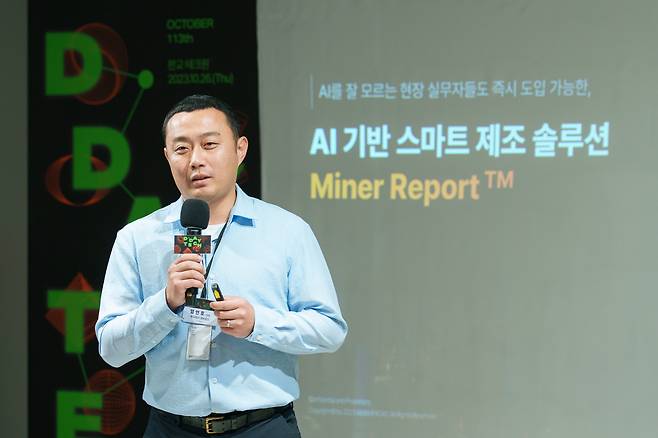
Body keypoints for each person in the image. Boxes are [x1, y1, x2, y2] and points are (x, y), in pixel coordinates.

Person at [95, 94, 348, 437]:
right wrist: (165, 304)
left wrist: (258, 323)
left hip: (262, 426)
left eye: (210, 144)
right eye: (182, 149)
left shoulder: (287, 231)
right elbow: (111, 349)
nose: (196, 160)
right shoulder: (138, 238)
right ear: (167, 156)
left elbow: (329, 330)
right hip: (170, 428)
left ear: (240, 150)